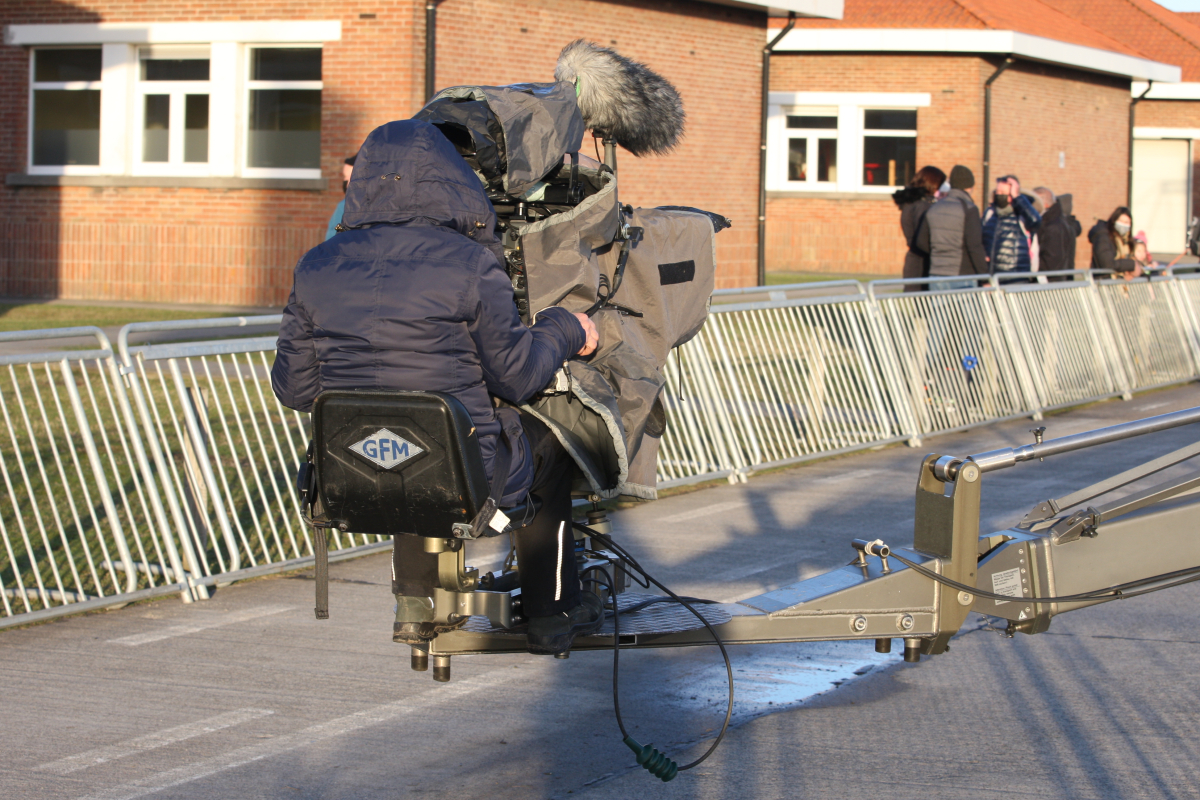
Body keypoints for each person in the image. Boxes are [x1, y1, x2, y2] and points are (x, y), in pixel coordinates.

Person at [272, 120, 604, 656]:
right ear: (449, 181)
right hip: (469, 481)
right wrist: (566, 328)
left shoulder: (316, 265)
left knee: (403, 440)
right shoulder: (471, 265)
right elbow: (517, 376)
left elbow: (293, 389)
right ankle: (553, 610)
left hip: (352, 478)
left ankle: (415, 603)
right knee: (550, 448)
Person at [914, 164, 987, 289]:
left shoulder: (934, 208)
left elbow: (921, 242)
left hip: (936, 274)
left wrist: (939, 252)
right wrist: (985, 277)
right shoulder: (969, 209)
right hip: (962, 275)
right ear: (970, 186)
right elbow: (974, 246)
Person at [892, 165, 945, 291]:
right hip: (922, 267)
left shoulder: (913, 204)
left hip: (916, 264)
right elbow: (923, 238)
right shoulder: (922, 206)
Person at [982, 174, 1041, 276]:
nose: (999, 195)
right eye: (998, 192)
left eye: (1003, 193)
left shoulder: (1021, 215)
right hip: (992, 276)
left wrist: (1017, 197)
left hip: (1015, 276)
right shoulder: (990, 213)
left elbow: (1035, 221)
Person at [1033, 187, 1082, 280]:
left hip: (1051, 283)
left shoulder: (1053, 226)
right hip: (1059, 281)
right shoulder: (1057, 223)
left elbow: (1051, 262)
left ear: (1044, 203)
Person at [1088, 207, 1139, 279]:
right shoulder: (1103, 237)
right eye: (1121, 221)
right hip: (1103, 283)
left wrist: (1130, 271)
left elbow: (1135, 259)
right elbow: (1107, 264)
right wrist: (1131, 265)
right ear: (1114, 221)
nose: (1123, 225)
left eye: (1126, 222)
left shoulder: (1126, 240)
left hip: (1120, 285)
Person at [323, 155, 357, 241]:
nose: (346, 183)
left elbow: (332, 243)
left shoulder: (345, 207)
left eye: (349, 177)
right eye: (345, 177)